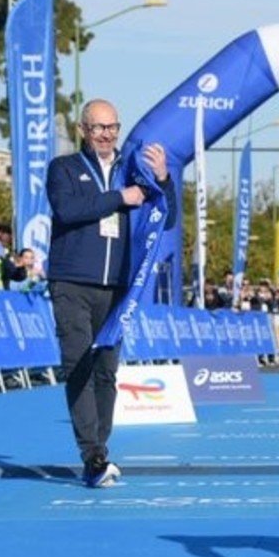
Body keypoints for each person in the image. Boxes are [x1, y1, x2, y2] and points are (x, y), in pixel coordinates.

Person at [47, 98, 177, 488]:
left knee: (106, 372)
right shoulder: (64, 168)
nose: (106, 135)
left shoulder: (131, 169)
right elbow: (68, 210)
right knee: (78, 366)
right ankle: (93, 456)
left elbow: (166, 218)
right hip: (71, 282)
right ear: (83, 130)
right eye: (98, 128)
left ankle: (100, 450)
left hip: (117, 288)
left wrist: (163, 181)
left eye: (112, 127)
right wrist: (120, 198)